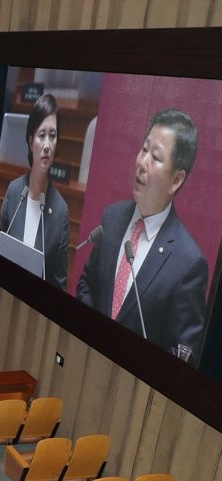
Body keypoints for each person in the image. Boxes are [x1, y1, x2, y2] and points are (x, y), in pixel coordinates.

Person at [77, 109, 208, 362]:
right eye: (144, 149)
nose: (142, 162)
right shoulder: (112, 218)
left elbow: (182, 354)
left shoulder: (189, 263)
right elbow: (87, 284)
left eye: (155, 157)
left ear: (176, 179)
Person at [0, 94, 70, 291]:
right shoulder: (14, 191)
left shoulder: (61, 211)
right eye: (41, 135)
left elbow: (59, 285)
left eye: (53, 136)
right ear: (30, 141)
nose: (47, 145)